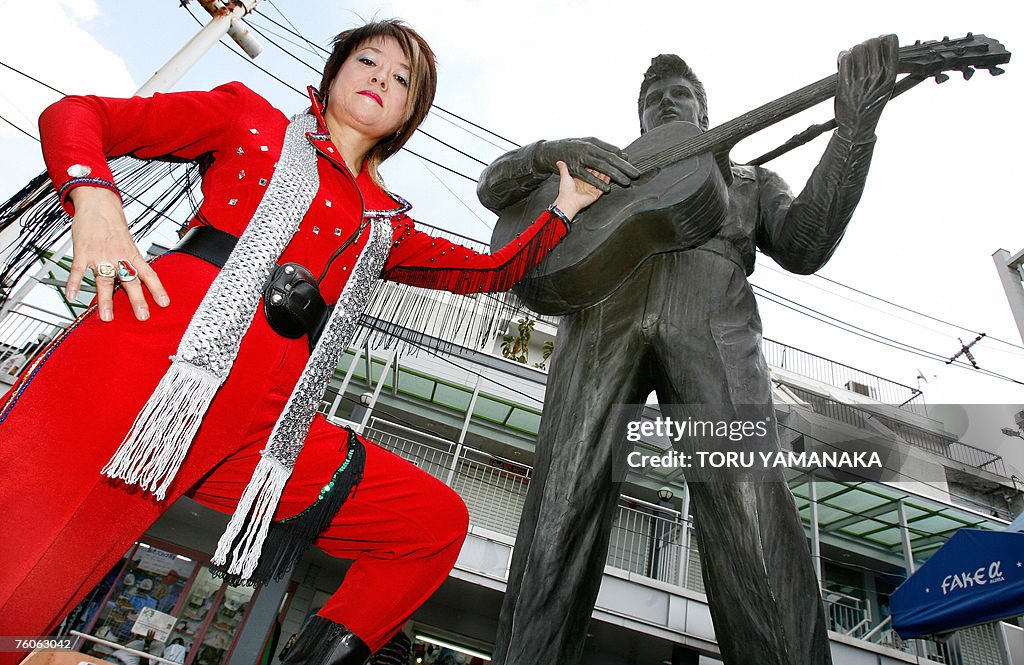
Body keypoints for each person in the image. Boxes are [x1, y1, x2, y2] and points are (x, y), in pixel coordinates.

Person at [0, 19, 608, 665]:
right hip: (154, 370)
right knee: (18, 600)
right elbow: (77, 115)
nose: (380, 77)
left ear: (407, 115)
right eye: (369, 60)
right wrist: (94, 199)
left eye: (401, 79)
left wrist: (564, 208)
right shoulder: (249, 119)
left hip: (267, 428)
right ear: (337, 70)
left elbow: (490, 271)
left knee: (430, 526)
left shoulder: (386, 224)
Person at [476, 37, 898, 665]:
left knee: (749, 512)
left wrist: (853, 132)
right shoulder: (597, 173)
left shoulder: (750, 179)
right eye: (653, 100)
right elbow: (494, 190)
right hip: (598, 318)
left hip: (713, 328)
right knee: (558, 510)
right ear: (639, 118)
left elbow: (805, 243)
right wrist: (550, 153)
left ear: (705, 110)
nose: (666, 103)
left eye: (680, 95)